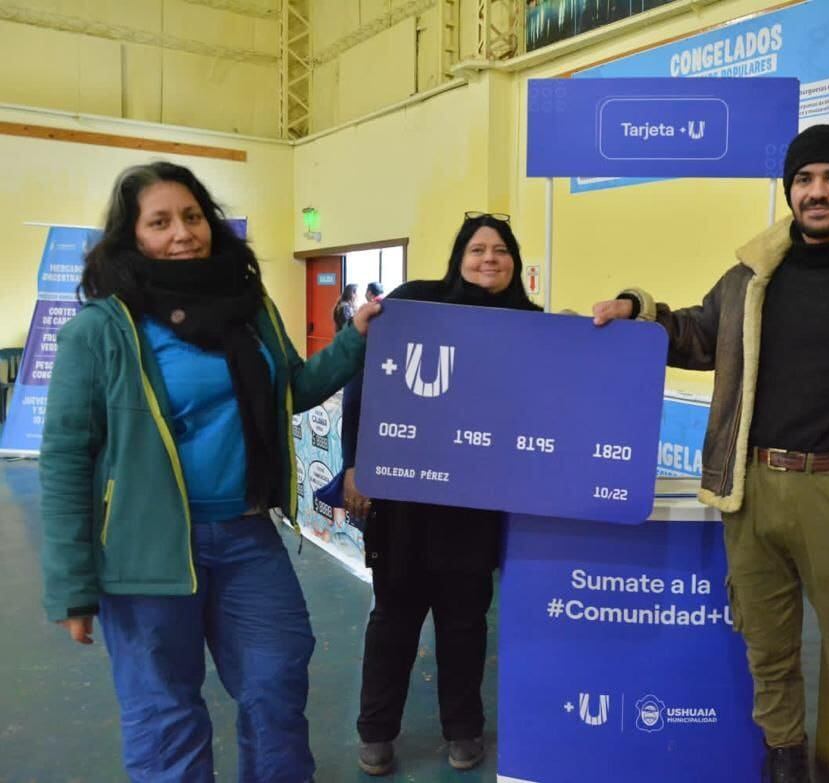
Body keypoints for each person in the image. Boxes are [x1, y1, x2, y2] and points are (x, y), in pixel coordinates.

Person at [592, 125, 829, 783]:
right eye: (805, 179)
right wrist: (639, 310)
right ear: (790, 190)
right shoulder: (749, 279)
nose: (818, 192)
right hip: (753, 487)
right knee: (767, 648)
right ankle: (785, 765)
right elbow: (698, 336)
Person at [39, 161, 379, 783]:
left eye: (192, 216)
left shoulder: (249, 311)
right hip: (146, 554)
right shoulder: (103, 330)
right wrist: (71, 584)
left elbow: (292, 390)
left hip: (247, 536)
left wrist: (355, 339)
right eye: (160, 221)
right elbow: (65, 457)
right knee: (165, 714)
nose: (182, 233)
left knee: (276, 684)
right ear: (132, 236)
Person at [340, 213, 541, 776]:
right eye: (477, 249)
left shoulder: (533, 325)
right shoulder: (414, 304)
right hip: (404, 504)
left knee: (464, 623)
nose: (489, 259)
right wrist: (355, 463)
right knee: (394, 619)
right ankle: (376, 731)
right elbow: (364, 385)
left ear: (515, 263)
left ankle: (463, 730)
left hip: (473, 507)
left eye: (500, 251)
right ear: (458, 257)